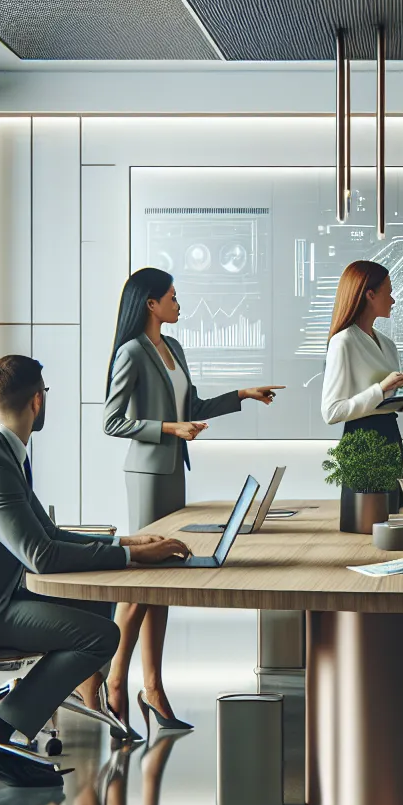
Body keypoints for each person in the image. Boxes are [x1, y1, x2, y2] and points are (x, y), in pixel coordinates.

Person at [0, 354, 192, 787]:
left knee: (98, 603)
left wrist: (126, 543)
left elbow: (48, 534)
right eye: (45, 394)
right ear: (37, 401)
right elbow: (42, 556)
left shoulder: (3, 452)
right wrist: (132, 558)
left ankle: (25, 717)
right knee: (101, 636)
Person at [101, 267, 283, 736]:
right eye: (173, 297)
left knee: (159, 581)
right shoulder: (132, 353)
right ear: (150, 304)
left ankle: (154, 686)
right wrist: (167, 429)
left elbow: (193, 409)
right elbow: (113, 421)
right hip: (146, 475)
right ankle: (116, 680)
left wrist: (241, 394)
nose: (180, 305)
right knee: (142, 580)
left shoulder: (174, 349)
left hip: (172, 473)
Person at [321, 260, 403, 443]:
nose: (393, 300)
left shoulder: (387, 344)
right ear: (370, 295)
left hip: (391, 437)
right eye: (388, 293)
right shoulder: (343, 342)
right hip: (361, 443)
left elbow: (385, 403)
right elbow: (331, 412)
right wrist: (380, 389)